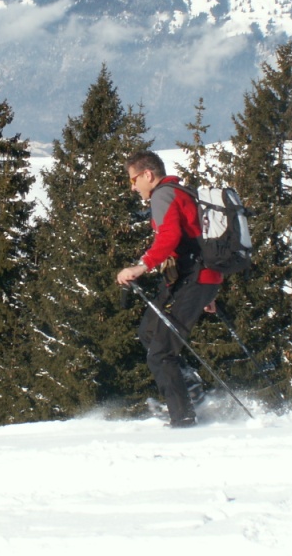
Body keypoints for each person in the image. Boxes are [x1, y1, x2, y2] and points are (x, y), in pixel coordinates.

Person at [116, 150, 221, 427]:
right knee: (149, 332)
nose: (133, 186)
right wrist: (209, 293)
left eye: (134, 179)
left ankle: (183, 419)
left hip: (194, 278)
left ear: (147, 175)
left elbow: (169, 236)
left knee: (161, 352)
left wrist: (142, 266)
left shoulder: (163, 194)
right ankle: (190, 391)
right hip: (196, 279)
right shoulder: (181, 191)